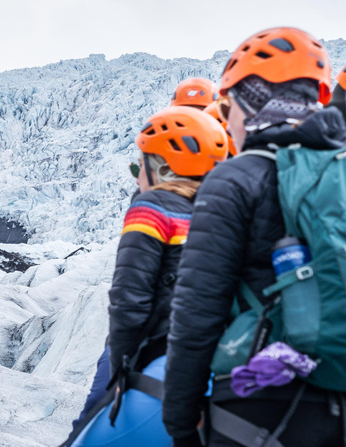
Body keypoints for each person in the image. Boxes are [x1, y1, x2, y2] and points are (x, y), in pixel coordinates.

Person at [163, 27, 345, 447]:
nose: (226, 122)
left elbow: (196, 312)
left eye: (227, 106)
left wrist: (180, 421)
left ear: (248, 100)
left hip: (258, 400)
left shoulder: (235, 178)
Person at [62, 106, 228, 447]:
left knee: (86, 431)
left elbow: (129, 299)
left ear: (163, 168)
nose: (137, 177)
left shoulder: (151, 207)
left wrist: (121, 368)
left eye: (139, 166)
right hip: (212, 357)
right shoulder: (222, 211)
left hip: (157, 351)